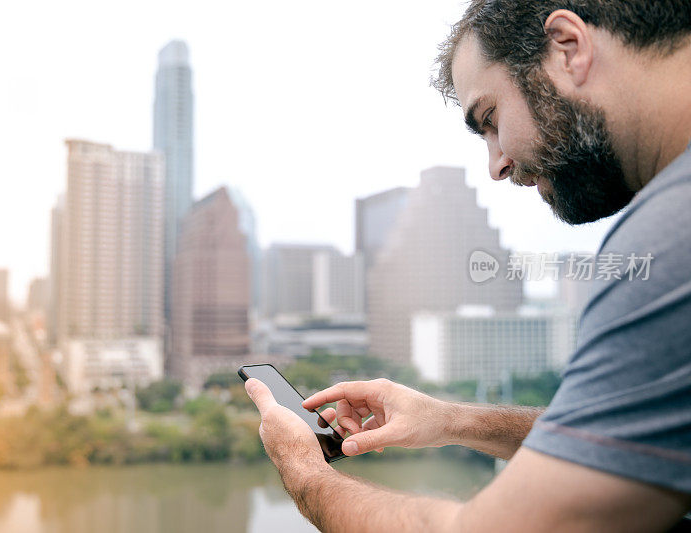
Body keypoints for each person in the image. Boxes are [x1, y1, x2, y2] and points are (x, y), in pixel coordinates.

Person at [245, 1, 691, 531]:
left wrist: (302, 469)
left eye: (490, 119)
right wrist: (453, 420)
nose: (497, 164)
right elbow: (624, 441)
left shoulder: (671, 238)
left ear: (568, 48)